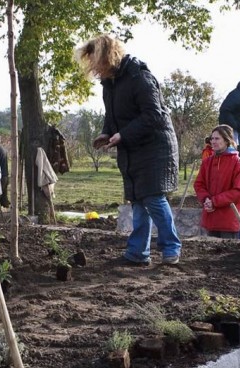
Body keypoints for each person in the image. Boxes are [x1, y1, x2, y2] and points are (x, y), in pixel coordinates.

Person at [76, 34, 181, 266]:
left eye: (95, 62)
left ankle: (171, 248)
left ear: (107, 57)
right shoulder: (110, 84)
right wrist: (106, 132)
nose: (93, 69)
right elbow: (112, 115)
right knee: (137, 200)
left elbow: (154, 115)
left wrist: (123, 134)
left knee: (153, 197)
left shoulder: (140, 78)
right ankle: (137, 252)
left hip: (155, 148)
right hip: (133, 148)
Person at [193, 125, 240, 238]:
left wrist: (214, 201)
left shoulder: (238, 163)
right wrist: (206, 199)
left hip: (228, 220)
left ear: (227, 140)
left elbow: (239, 191)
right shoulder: (207, 162)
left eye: (217, 138)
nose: (213, 141)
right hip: (210, 219)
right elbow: (199, 184)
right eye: (212, 138)